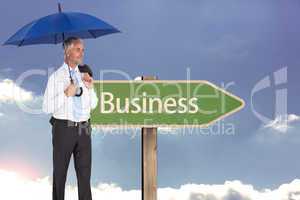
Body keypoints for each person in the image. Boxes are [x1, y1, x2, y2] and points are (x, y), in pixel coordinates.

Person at [42, 36, 98, 200]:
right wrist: (66, 94)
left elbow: (93, 104)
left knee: (85, 176)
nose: (82, 53)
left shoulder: (84, 75)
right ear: (67, 52)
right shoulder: (56, 77)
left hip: (84, 129)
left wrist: (90, 88)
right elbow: (46, 107)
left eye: (83, 50)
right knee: (60, 175)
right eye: (77, 49)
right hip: (63, 129)